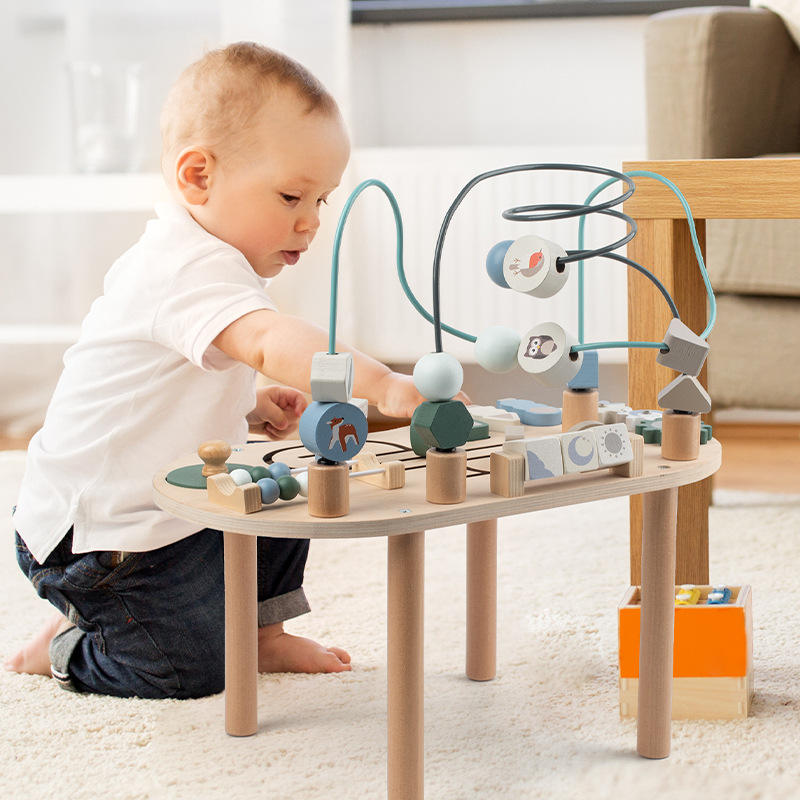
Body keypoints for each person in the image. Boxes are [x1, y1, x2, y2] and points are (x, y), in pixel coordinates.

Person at [6, 43, 463, 698]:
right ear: (198, 177)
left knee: (278, 491)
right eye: (289, 195)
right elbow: (268, 339)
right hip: (98, 542)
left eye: (322, 201)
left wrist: (246, 406)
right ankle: (71, 646)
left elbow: (171, 383)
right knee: (187, 669)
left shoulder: (212, 265)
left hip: (170, 513)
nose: (308, 222)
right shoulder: (181, 267)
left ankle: (263, 634)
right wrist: (385, 384)